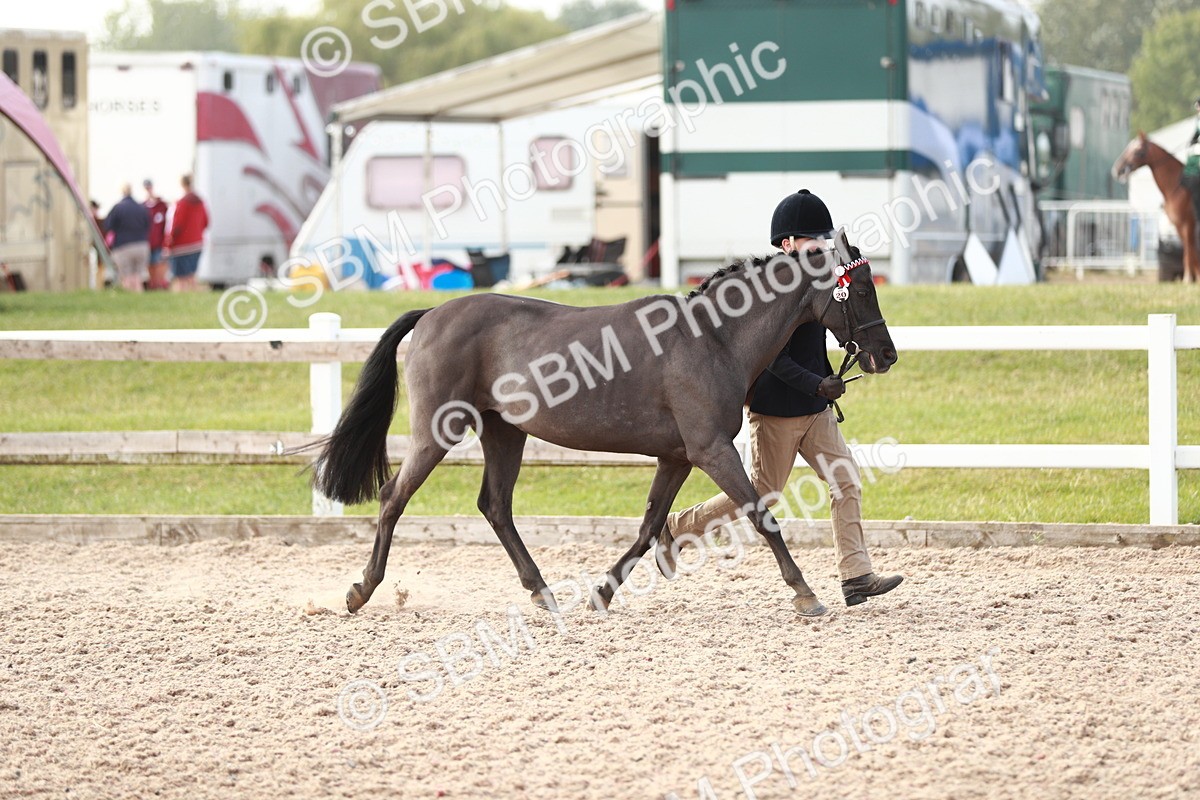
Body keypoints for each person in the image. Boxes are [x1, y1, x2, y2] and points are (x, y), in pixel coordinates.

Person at [656, 189, 903, 609]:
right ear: (787, 244)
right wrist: (815, 384)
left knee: (846, 481)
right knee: (762, 494)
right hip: (778, 410)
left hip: (816, 408)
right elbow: (773, 362)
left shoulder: (821, 279)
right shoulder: (767, 295)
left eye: (823, 240)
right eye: (812, 240)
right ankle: (678, 528)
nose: (820, 247)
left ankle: (856, 575)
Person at [103, 183, 151, 292]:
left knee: (127, 276)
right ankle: (139, 299)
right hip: (142, 245)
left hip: (124, 246)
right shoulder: (142, 208)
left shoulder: (118, 207)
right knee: (138, 277)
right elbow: (149, 225)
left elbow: (108, 225)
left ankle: (130, 300)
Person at [166, 174, 209, 291]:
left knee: (181, 277)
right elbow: (207, 222)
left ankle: (184, 297)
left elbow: (176, 226)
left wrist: (169, 243)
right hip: (197, 243)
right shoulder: (201, 202)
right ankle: (195, 297)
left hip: (182, 245)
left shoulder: (181, 203)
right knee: (191, 274)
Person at [142, 179, 169, 290]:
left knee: (158, 264)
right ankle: (152, 285)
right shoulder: (142, 207)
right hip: (147, 243)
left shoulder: (162, 206)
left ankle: (158, 285)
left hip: (159, 243)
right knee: (150, 266)